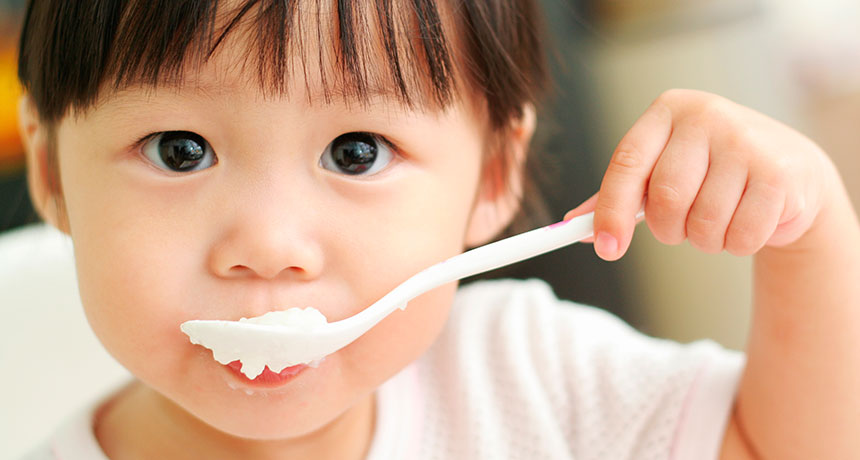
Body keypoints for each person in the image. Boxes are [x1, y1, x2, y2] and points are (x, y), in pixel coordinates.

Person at [14, 0, 860, 459]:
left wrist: (808, 235)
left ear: (493, 176)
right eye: (179, 149)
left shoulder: (529, 380)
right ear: (52, 176)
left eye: (356, 151)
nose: (269, 244)